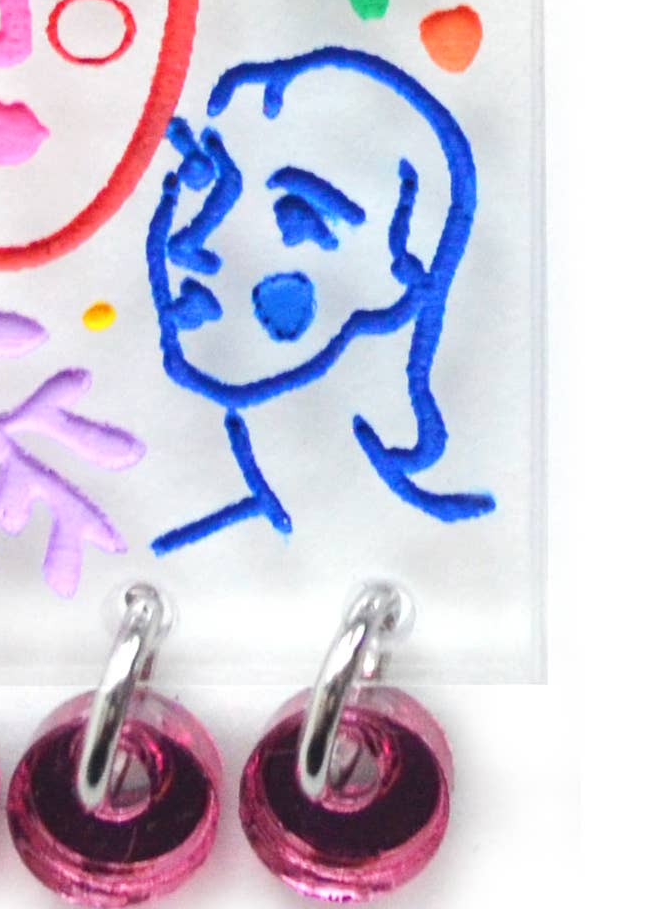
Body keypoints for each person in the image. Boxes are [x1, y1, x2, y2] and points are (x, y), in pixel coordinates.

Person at [144, 46, 493, 547]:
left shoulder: (357, 501)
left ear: (406, 259)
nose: (189, 244)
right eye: (206, 174)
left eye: (296, 217)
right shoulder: (174, 461)